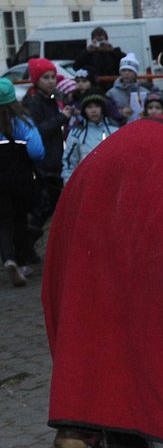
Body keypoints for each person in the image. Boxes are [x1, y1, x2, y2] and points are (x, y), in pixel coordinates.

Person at [0, 77, 45, 286]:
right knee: (19, 218)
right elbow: (37, 151)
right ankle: (21, 262)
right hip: (20, 177)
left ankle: (8, 258)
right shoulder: (22, 121)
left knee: (3, 222)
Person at [21, 58, 66, 241]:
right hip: (43, 163)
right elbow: (37, 131)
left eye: (53, 77)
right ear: (36, 80)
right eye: (46, 77)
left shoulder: (51, 98)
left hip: (53, 160)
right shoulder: (33, 102)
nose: (51, 81)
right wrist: (61, 118)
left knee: (49, 207)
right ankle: (26, 245)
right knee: (43, 209)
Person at [62, 92, 118, 183]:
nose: (93, 110)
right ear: (84, 111)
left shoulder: (115, 131)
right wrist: (68, 184)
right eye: (89, 107)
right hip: (86, 182)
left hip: (111, 181)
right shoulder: (76, 134)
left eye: (97, 106)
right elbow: (69, 162)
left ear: (102, 109)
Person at [72, 26, 124, 91]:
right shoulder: (89, 54)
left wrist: (113, 50)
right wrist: (87, 52)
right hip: (94, 88)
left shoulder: (113, 52)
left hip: (113, 86)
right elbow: (76, 66)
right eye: (97, 41)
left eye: (101, 40)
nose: (100, 44)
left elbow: (125, 63)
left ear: (106, 40)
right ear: (93, 41)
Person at [106, 55, 151, 124]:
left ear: (136, 73)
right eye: (123, 70)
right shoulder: (111, 93)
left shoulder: (145, 92)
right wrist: (121, 112)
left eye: (130, 71)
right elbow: (108, 111)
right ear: (120, 72)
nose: (126, 73)